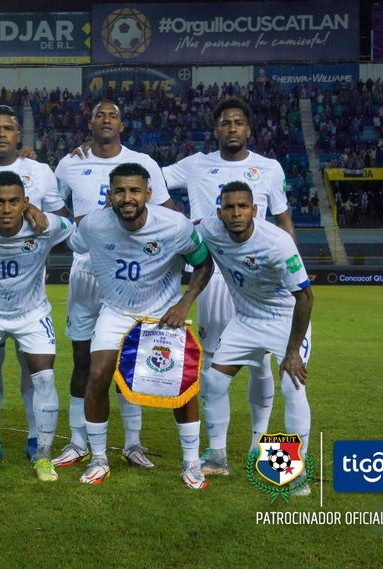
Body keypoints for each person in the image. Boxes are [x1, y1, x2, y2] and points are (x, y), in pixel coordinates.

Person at [162, 97, 295, 474]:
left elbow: (283, 219)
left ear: (248, 129)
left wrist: (290, 264)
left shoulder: (269, 168)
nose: (232, 127)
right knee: (215, 365)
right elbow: (150, 175)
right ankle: (217, 452)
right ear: (217, 129)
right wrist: (180, 220)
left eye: (238, 122)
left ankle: (260, 445)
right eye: (225, 122)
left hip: (260, 277)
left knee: (262, 364)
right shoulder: (196, 164)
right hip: (215, 275)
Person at [70, 162, 212, 487]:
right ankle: (99, 459)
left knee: (182, 386)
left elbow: (204, 263)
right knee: (97, 375)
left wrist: (184, 302)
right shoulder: (93, 225)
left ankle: (191, 464)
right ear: (110, 194)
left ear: (149, 193)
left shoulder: (175, 226)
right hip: (116, 312)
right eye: (120, 191)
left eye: (135, 190)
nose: (127, 197)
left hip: (162, 315)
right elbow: (76, 244)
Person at [52, 100, 175, 470]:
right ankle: (77, 442)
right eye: (99, 114)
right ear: (89, 123)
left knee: (131, 362)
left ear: (122, 124)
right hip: (87, 272)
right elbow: (54, 206)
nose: (106, 120)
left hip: (130, 274)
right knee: (82, 361)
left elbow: (166, 212)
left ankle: (133, 444)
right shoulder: (69, 162)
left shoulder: (144, 163)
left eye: (113, 115)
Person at [0, 105, 67, 461]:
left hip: (29, 283)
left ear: (19, 135)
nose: (2, 134)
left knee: (32, 369)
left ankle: (38, 438)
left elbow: (62, 218)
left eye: (8, 128)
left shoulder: (39, 171)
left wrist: (42, 215)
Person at [195, 181, 313, 495]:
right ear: (219, 212)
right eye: (230, 207)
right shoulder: (209, 229)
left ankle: (295, 471)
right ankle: (217, 455)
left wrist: (292, 352)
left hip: (285, 321)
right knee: (214, 382)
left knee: (293, 385)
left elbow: (305, 297)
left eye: (242, 207)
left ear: (254, 211)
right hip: (245, 320)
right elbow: (189, 240)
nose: (236, 213)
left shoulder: (277, 243)